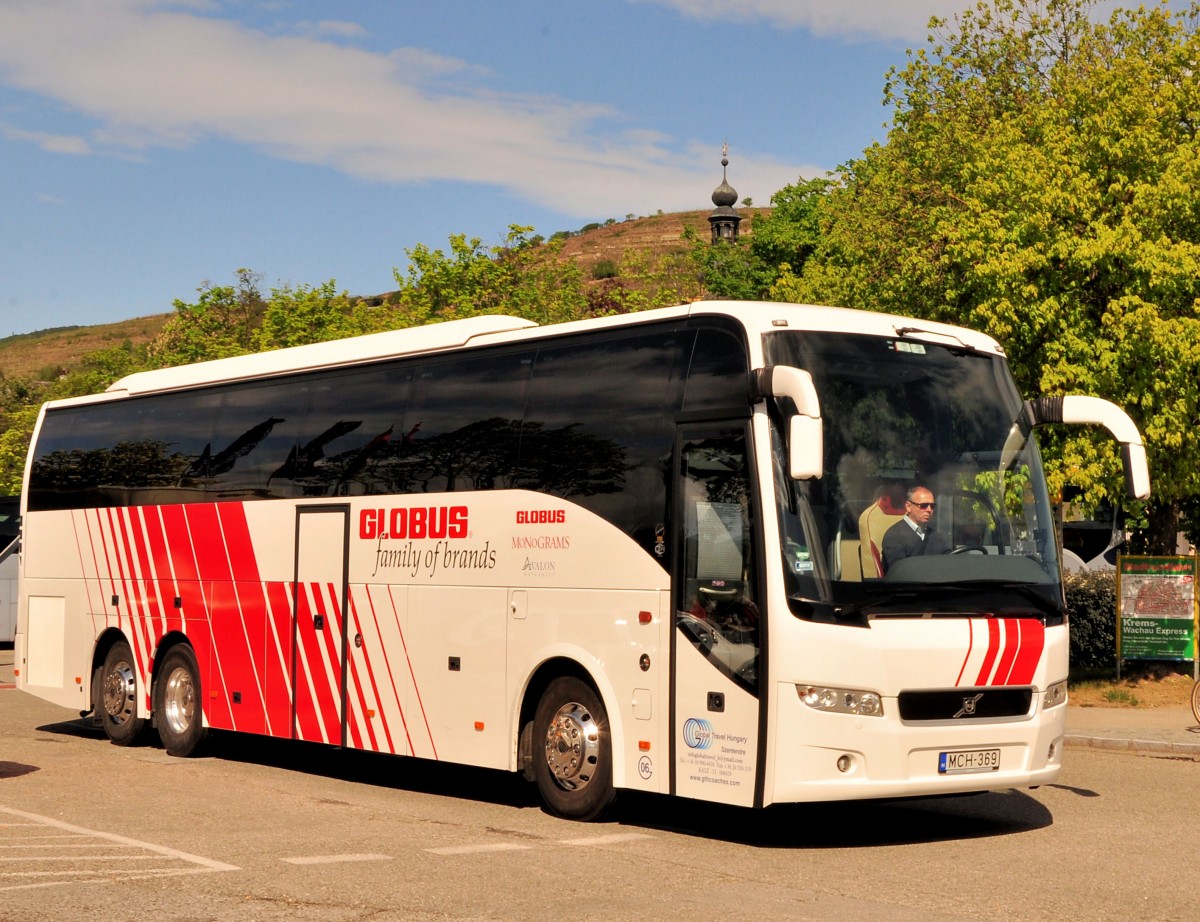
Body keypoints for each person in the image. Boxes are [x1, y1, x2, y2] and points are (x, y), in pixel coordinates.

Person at [881, 485, 947, 573]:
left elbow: (949, 562)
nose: (929, 510)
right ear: (908, 506)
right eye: (924, 505)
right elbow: (899, 573)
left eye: (932, 506)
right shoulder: (894, 536)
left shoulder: (936, 536)